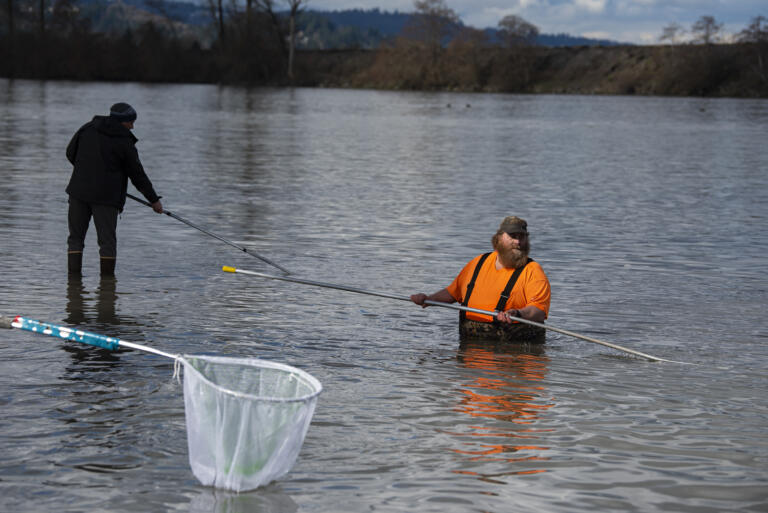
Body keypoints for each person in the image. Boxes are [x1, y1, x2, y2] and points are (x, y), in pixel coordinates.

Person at [411, 216, 551, 343]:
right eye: (512, 236)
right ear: (499, 238)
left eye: (522, 237)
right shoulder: (478, 263)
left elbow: (538, 311)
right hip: (469, 345)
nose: (518, 242)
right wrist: (428, 299)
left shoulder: (533, 271)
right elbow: (453, 292)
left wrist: (518, 313)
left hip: (515, 349)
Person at [65, 103, 163, 277]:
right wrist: (154, 200)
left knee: (75, 239)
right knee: (107, 242)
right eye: (131, 122)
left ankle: (73, 280)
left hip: (78, 191)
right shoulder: (124, 141)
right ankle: (107, 286)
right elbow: (137, 175)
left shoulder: (87, 129)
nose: (132, 126)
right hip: (106, 197)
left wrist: (87, 173)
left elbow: (70, 153)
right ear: (122, 121)